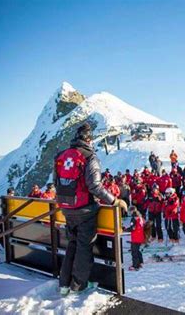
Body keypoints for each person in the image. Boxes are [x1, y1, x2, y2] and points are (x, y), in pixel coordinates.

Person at [54, 122, 127, 295]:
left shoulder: (61, 155)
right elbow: (94, 185)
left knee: (72, 244)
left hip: (66, 206)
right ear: (88, 139)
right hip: (85, 209)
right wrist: (114, 201)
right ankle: (78, 285)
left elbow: (56, 182)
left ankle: (64, 284)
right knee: (84, 246)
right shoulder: (89, 157)